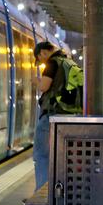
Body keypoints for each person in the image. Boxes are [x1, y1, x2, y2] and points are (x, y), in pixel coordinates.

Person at [32, 41, 80, 189]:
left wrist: (36, 82)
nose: (41, 62)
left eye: (39, 59)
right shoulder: (68, 61)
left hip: (52, 115)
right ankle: (60, 189)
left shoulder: (52, 63)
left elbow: (44, 87)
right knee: (62, 156)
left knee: (41, 154)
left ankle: (43, 191)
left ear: (43, 53)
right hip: (69, 114)